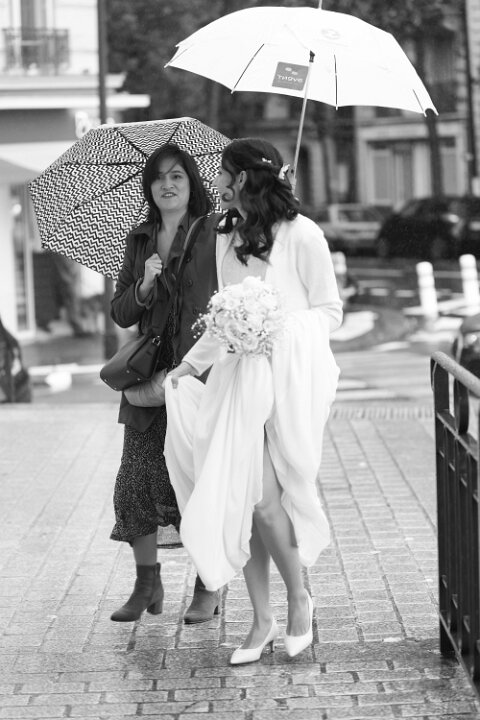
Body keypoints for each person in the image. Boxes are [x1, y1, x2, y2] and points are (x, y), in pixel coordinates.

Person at [164, 138, 343, 664]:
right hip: (237, 379)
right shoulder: (225, 235)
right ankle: (262, 620)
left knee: (266, 499)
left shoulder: (302, 234)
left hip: (288, 377)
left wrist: (275, 327)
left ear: (242, 178)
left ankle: (298, 599)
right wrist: (190, 364)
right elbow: (226, 316)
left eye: (222, 172)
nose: (215, 182)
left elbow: (329, 311)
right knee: (246, 498)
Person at [109, 142, 221, 624]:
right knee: (134, 480)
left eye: (177, 175)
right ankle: (146, 584)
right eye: (158, 177)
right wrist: (144, 285)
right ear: (149, 187)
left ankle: (209, 584)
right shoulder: (139, 239)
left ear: (192, 183)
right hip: (151, 375)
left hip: (200, 373)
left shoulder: (214, 231)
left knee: (199, 480)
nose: (167, 184)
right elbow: (121, 311)